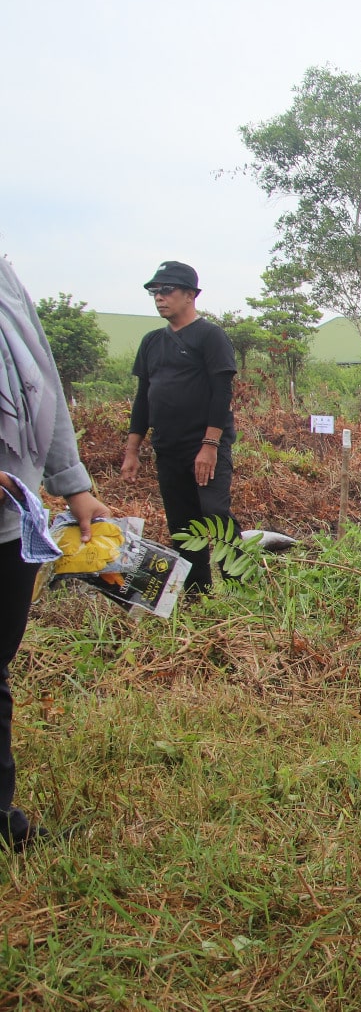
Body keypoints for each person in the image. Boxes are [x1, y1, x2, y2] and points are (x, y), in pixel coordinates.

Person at [0, 258, 111, 850]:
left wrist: (72, 481)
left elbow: (41, 375)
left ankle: (2, 818)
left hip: (10, 519)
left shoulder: (4, 279)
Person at [120, 261, 237, 593]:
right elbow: (143, 399)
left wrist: (210, 445)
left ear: (190, 295)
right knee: (182, 524)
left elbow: (222, 393)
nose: (159, 298)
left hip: (203, 445)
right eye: (155, 292)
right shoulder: (151, 342)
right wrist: (132, 450)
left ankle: (242, 585)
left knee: (214, 512)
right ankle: (196, 593)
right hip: (167, 446)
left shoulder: (210, 336)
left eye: (167, 291)